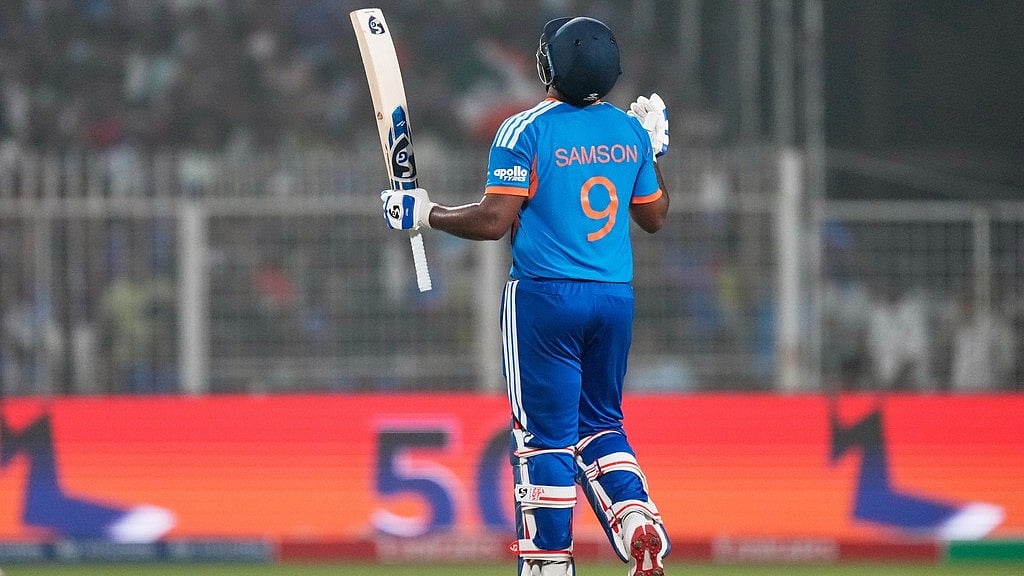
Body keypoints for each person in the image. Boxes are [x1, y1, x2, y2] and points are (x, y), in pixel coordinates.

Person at [381, 17, 671, 576]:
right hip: (613, 299)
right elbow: (655, 217)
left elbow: (493, 221)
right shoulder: (629, 132)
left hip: (544, 299)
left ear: (550, 68)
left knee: (544, 440)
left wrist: (428, 212)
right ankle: (637, 522)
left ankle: (546, 563)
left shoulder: (525, 129)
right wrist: (651, 150)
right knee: (603, 427)